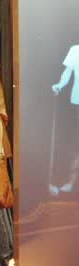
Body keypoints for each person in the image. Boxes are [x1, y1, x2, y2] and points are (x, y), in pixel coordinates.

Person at [50, 44, 79, 195]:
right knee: (75, 143)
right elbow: (67, 72)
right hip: (77, 101)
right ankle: (71, 181)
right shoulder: (76, 50)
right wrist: (59, 85)